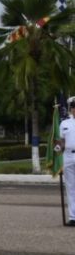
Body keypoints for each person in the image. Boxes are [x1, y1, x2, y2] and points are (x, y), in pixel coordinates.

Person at [57, 96, 75, 226]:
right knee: (70, 187)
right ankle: (73, 216)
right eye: (73, 107)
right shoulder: (64, 123)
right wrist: (57, 156)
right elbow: (60, 142)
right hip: (68, 157)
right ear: (70, 109)